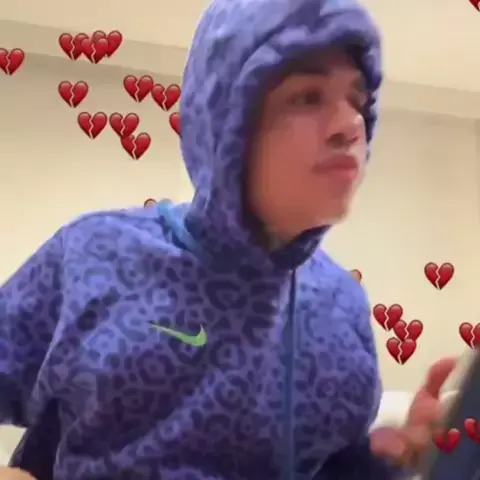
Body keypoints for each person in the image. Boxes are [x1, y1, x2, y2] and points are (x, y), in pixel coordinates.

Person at [0, 0, 455, 478]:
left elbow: (335, 468)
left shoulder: (343, 309)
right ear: (226, 121)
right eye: (307, 97)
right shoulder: (94, 255)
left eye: (358, 101)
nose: (350, 125)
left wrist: (398, 459)